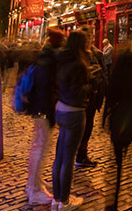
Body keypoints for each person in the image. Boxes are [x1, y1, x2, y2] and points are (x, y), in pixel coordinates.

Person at [103, 42, 132, 211]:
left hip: (120, 120)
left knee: (117, 165)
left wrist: (105, 119)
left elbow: (110, 94)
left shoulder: (119, 70)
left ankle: (114, 202)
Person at [24, 29, 63, 206]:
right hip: (43, 111)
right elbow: (48, 90)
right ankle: (35, 191)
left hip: (39, 109)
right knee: (40, 149)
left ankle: (34, 183)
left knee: (37, 147)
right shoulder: (50, 62)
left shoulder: (43, 57)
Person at [51, 31, 90, 211]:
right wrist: (90, 86)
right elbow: (79, 90)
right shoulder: (79, 64)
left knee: (59, 155)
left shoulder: (61, 60)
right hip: (74, 112)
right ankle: (65, 202)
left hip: (61, 108)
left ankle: (56, 198)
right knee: (68, 158)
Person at [75, 31, 105, 168]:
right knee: (83, 128)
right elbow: (103, 77)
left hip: (81, 100)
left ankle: (80, 154)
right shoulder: (92, 54)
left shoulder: (96, 54)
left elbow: (104, 78)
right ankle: (79, 155)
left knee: (85, 129)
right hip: (84, 100)